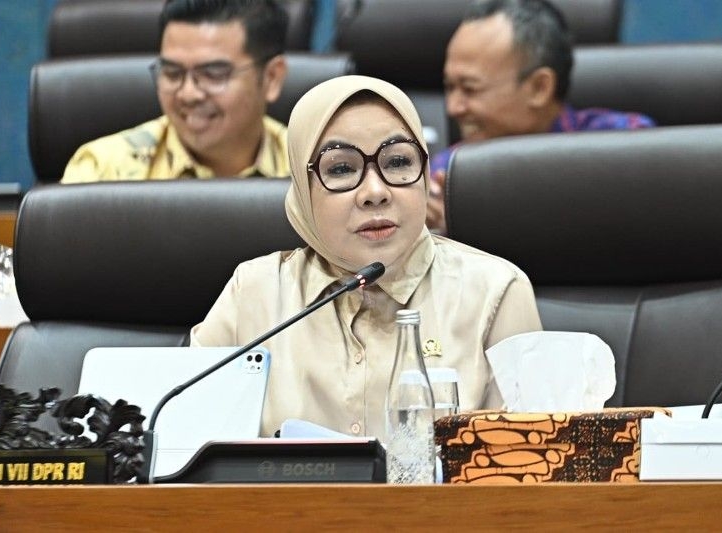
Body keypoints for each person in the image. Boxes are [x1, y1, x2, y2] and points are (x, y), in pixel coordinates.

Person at [190, 75, 543, 440]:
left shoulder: (495, 292)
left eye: (398, 162)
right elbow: (184, 440)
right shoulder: (253, 293)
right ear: (302, 187)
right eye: (341, 169)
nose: (375, 192)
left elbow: (529, 457)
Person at [427, 0, 655, 234]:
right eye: (449, 87)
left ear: (540, 88)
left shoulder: (625, 148)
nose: (453, 108)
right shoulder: (451, 172)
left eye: (469, 89)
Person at [61, 0, 290, 184]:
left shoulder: (305, 169)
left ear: (271, 78)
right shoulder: (103, 170)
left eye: (213, 74)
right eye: (172, 73)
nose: (188, 94)